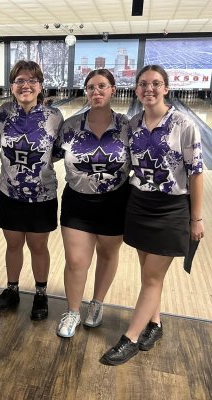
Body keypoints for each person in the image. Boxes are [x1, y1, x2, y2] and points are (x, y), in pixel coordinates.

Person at [100, 65, 204, 365]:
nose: (149, 89)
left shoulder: (184, 124)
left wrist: (195, 219)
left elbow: (196, 173)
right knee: (150, 274)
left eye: (156, 84)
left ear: (166, 88)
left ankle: (130, 338)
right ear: (136, 90)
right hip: (139, 204)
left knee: (152, 278)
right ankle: (155, 324)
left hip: (171, 209)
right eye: (143, 84)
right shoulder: (131, 125)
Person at [55, 69, 131, 338]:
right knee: (76, 261)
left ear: (113, 90)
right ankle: (73, 311)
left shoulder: (127, 127)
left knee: (108, 255)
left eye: (102, 86)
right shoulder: (70, 127)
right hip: (77, 202)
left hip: (115, 202)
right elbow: (47, 155)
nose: (96, 92)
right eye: (90, 87)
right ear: (85, 92)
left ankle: (97, 304)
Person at [0, 60, 64, 320]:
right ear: (12, 86)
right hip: (9, 193)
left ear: (40, 86)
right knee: (13, 244)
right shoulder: (3, 112)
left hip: (42, 194)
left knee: (38, 245)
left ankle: (41, 293)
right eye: (20, 80)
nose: (26, 85)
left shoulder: (54, 116)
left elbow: (57, 153)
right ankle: (12, 290)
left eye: (32, 80)